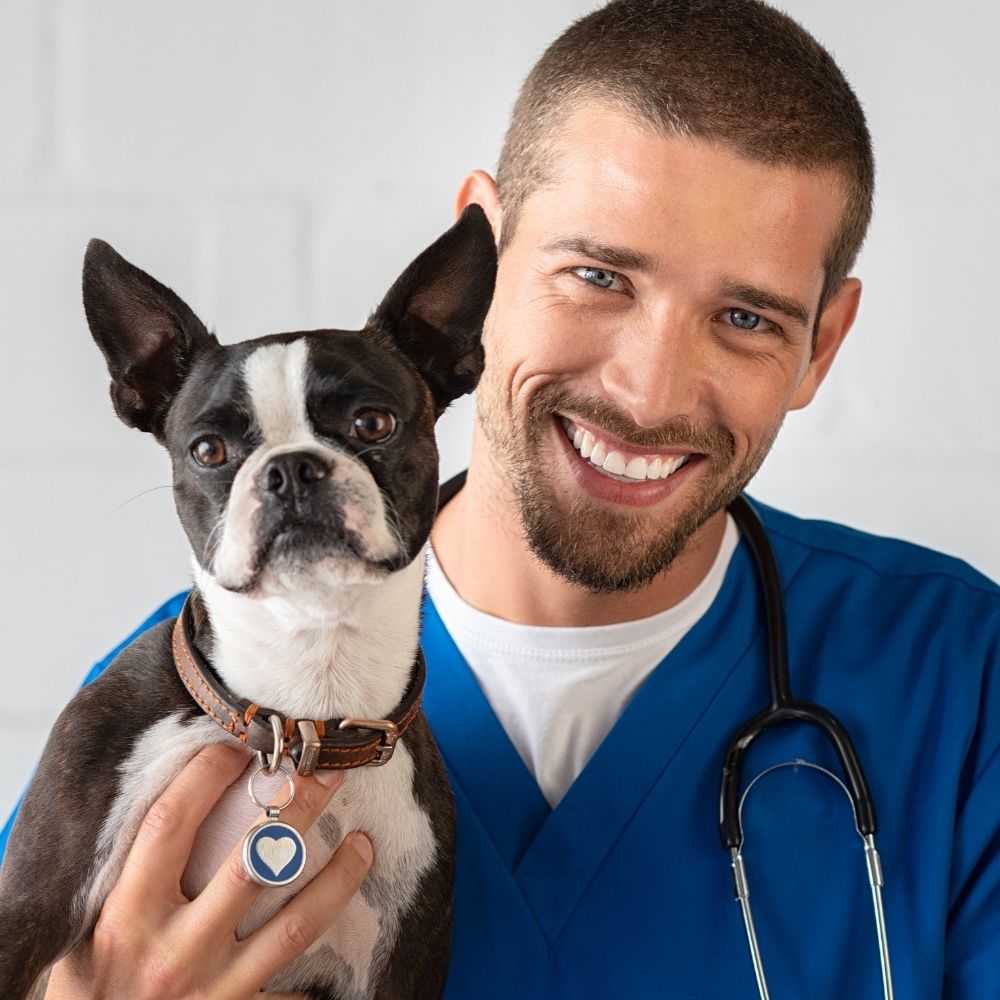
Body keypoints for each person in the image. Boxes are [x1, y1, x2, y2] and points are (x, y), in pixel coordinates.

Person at [4, 0, 999, 996]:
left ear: (821, 344)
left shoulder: (958, 681)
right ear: (482, 258)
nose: (648, 393)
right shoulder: (173, 704)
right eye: (599, 275)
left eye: (745, 316)